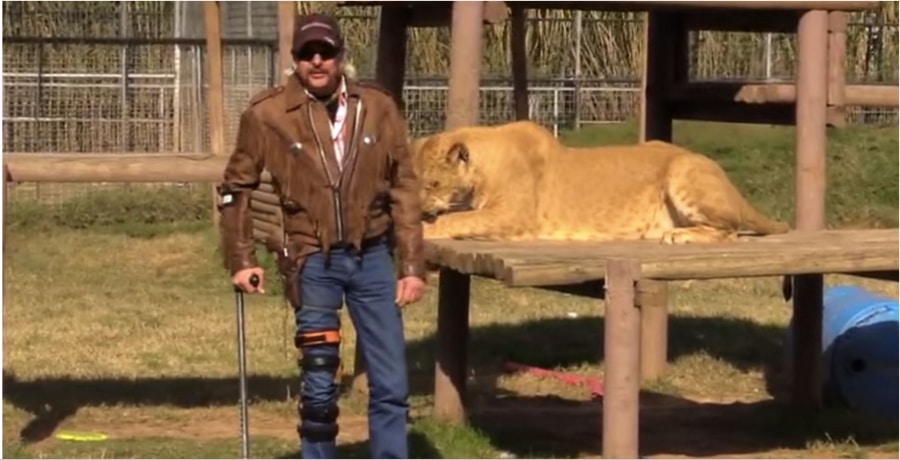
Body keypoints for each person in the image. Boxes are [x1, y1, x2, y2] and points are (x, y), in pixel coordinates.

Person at [217, 12, 427, 459]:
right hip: (312, 259)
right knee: (319, 382)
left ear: (340, 56)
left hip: (372, 257)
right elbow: (237, 187)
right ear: (295, 59)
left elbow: (405, 186)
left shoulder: (378, 108)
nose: (317, 61)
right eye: (307, 53)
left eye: (325, 52)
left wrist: (411, 266)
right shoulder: (267, 114)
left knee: (390, 382)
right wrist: (241, 258)